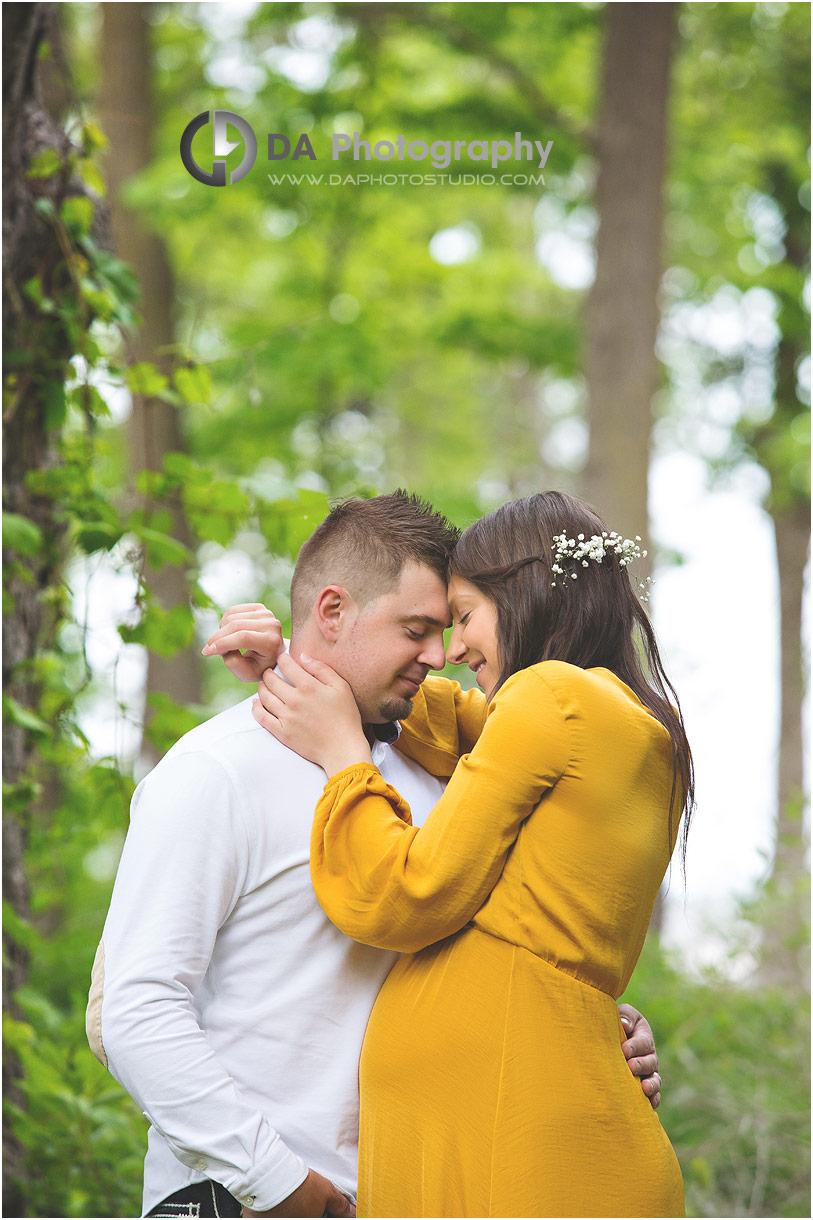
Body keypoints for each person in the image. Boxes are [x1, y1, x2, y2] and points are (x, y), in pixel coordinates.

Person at [87, 491, 663, 1220]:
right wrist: (279, 1184)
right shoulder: (216, 770)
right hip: (245, 1197)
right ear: (331, 611)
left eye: (449, 626)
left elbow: (506, 946)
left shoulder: (440, 775)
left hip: (413, 1193)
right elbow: (135, 1011)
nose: (440, 654)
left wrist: (587, 1027)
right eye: (417, 629)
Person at [251, 490, 692, 1219]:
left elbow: (405, 894)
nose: (451, 650)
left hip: (506, 1128)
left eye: (463, 616)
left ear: (526, 596)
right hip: (516, 1113)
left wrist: (342, 757)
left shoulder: (553, 697)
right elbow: (459, 724)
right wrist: (298, 657)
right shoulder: (630, 722)